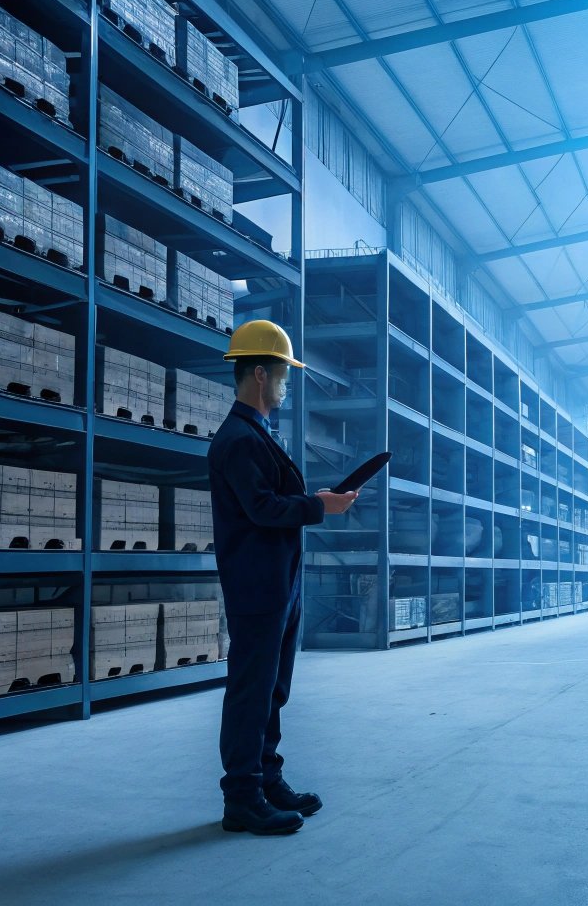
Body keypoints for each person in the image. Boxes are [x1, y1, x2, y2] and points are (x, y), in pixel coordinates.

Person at [209, 320, 356, 836]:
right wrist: (319, 506)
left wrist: (312, 502)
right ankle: (242, 797)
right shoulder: (238, 439)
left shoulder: (255, 435)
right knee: (252, 689)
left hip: (278, 582)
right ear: (257, 376)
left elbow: (273, 501)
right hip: (257, 586)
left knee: (273, 687)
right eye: (282, 375)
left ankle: (267, 779)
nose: (286, 385)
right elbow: (263, 508)